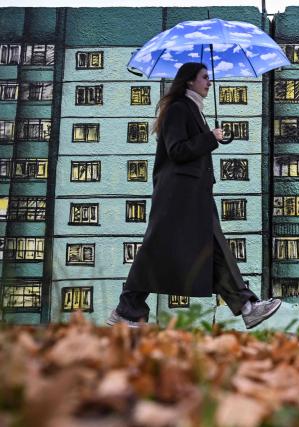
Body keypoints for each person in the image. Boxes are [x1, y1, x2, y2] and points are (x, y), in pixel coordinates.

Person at [107, 62, 281, 329]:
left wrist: (212, 137)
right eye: (204, 77)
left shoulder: (193, 109)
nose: (209, 82)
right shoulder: (178, 108)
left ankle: (246, 306)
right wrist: (210, 137)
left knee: (210, 247)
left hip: (192, 193)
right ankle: (127, 311)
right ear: (189, 81)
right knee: (161, 248)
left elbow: (191, 147)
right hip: (178, 195)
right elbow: (177, 150)